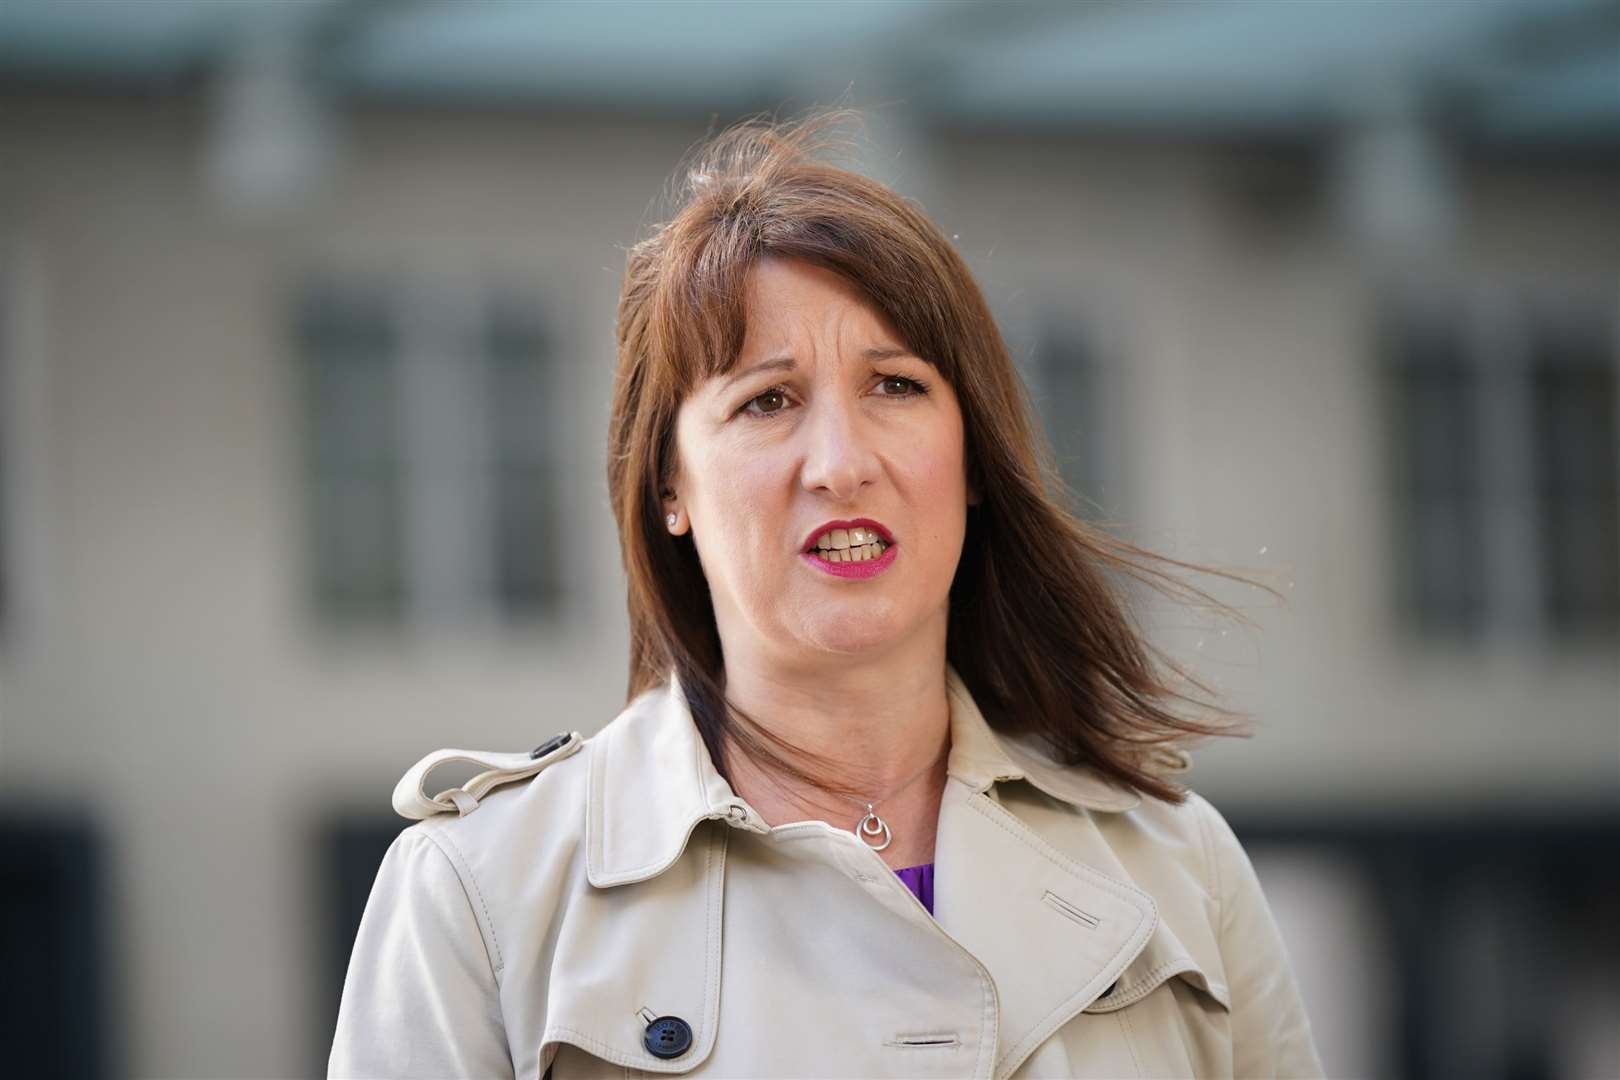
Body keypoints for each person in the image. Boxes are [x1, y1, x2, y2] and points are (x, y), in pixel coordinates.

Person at [329, 114, 1324, 1079]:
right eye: (767, 400)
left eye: (895, 386)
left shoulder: (1176, 864)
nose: (842, 463)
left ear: (972, 453)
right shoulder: (482, 894)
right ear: (668, 486)